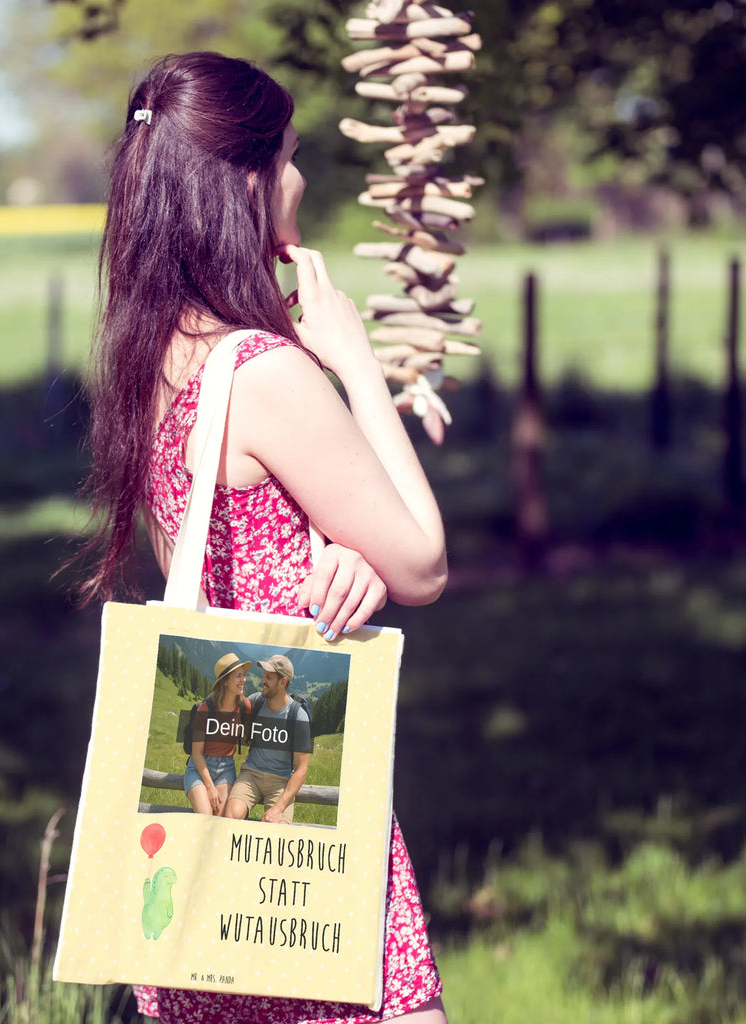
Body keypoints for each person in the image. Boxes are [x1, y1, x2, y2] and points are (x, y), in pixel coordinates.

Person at [79, 49, 449, 1024]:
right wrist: (356, 365)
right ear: (247, 181)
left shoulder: (154, 356)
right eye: (287, 156)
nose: (299, 178)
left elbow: (218, 556)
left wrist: (335, 551)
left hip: (205, 813)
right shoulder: (265, 372)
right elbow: (423, 562)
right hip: (297, 825)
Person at [223, 655, 311, 824]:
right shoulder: (256, 701)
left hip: (281, 782)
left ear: (282, 682)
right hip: (251, 775)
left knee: (277, 829)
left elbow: (301, 769)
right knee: (232, 816)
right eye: (264, 675)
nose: (262, 680)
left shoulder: (298, 716)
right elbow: (228, 709)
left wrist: (278, 808)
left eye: (268, 677)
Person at [183, 653, 252, 815]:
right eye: (238, 676)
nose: (243, 680)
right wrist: (210, 787)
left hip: (226, 768)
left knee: (221, 818)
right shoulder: (206, 708)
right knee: (205, 815)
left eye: (244, 675)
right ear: (225, 681)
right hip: (199, 767)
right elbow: (197, 753)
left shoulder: (245, 706)